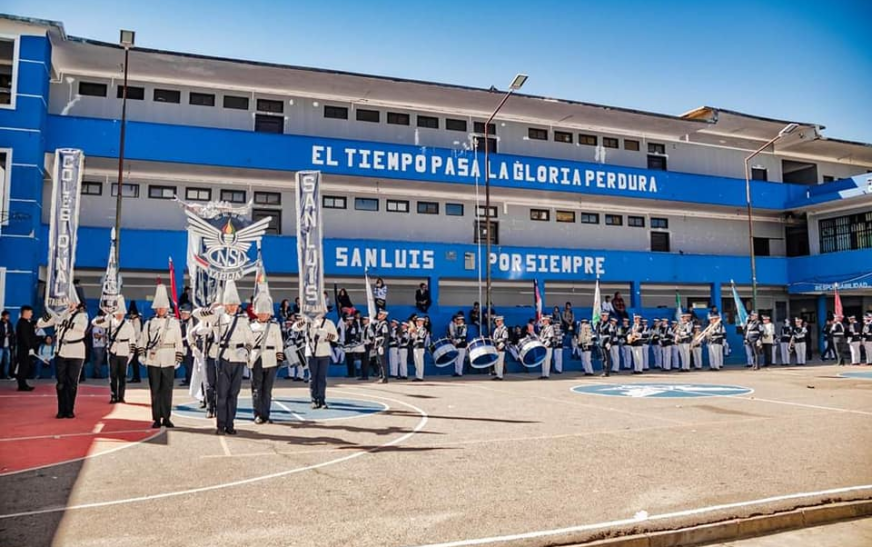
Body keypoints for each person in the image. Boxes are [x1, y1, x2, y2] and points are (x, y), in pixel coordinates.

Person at [194, 280, 254, 434]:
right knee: (222, 394)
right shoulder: (218, 317)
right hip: (223, 358)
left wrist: (246, 351)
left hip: (238, 359)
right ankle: (220, 425)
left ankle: (230, 424)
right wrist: (214, 311)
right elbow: (196, 313)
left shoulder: (243, 319)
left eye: (234, 304)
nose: (232, 306)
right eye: (229, 304)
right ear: (225, 304)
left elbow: (250, 340)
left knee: (233, 394)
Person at [138, 282, 184, 429]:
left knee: (167, 390)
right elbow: (143, 341)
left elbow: (179, 342)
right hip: (154, 360)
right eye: (158, 307)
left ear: (167, 308)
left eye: (163, 307)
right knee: (155, 390)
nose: (161, 309)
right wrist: (141, 355)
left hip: (169, 359)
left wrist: (178, 358)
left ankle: (167, 417)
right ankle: (156, 418)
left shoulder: (174, 323)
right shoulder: (149, 323)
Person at [37, 298, 89, 415]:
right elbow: (40, 323)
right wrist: (52, 314)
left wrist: (63, 321)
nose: (70, 304)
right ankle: (61, 410)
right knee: (60, 383)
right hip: (61, 351)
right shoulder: (59, 314)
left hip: (76, 352)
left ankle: (70, 410)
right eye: (68, 302)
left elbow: (81, 328)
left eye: (72, 302)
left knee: (72, 383)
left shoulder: (82, 315)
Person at [92, 296, 136, 404]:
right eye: (117, 312)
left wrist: (130, 354)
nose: (119, 315)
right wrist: (107, 317)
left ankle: (121, 396)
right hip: (113, 351)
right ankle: (113, 395)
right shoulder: (110, 322)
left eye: (121, 312)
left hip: (124, 351)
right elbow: (94, 322)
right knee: (112, 375)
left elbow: (132, 341)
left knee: (122, 376)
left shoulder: (128, 324)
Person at [249, 291, 284, 424]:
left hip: (270, 359)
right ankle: (257, 414)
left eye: (266, 312)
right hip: (256, 358)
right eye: (261, 312)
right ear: (257, 313)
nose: (263, 315)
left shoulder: (274, 326)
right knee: (257, 389)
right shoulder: (251, 326)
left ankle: (266, 415)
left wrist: (279, 358)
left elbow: (279, 343)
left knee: (267, 390)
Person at [298, 311, 338, 408]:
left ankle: (322, 400)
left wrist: (324, 334)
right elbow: (295, 327)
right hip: (311, 353)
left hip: (324, 352)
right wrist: (305, 320)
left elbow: (335, 337)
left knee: (322, 378)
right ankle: (314, 400)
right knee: (312, 377)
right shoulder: (308, 322)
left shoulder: (329, 323)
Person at [16, 306, 40, 391]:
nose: (31, 314)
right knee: (23, 367)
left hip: (26, 349)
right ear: (25, 312)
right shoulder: (22, 323)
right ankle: (22, 385)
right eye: (30, 312)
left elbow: (31, 334)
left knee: (25, 367)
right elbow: (24, 337)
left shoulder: (26, 323)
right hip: (24, 350)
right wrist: (29, 347)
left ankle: (23, 384)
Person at [372, 309, 390, 383]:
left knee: (382, 362)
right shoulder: (379, 323)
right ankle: (381, 376)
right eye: (379, 314)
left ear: (384, 316)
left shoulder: (384, 324)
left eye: (381, 314)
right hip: (378, 343)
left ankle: (385, 377)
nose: (379, 315)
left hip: (381, 344)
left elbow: (385, 336)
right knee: (378, 362)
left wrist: (382, 345)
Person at [179, 304, 195, 386]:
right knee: (186, 363)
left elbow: (190, 334)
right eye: (181, 314)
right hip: (184, 345)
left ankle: (190, 380)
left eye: (184, 314)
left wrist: (181, 339)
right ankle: (188, 378)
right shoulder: (183, 322)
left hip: (189, 345)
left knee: (189, 364)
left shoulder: (191, 322)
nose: (183, 315)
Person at [127, 301, 143, 383]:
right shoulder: (131, 321)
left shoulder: (136, 321)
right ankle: (135, 376)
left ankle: (137, 377)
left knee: (135, 362)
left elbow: (137, 333)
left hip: (135, 344)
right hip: (132, 343)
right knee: (133, 362)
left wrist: (133, 340)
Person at [491, 316, 509, 380]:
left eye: (498, 321)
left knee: (500, 362)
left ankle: (500, 376)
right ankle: (497, 374)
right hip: (496, 347)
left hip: (501, 348)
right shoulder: (496, 329)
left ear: (501, 321)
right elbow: (495, 339)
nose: (496, 322)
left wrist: (499, 347)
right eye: (496, 321)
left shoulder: (504, 329)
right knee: (496, 362)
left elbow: (505, 339)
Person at [411, 316, 428, 381]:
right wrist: (412, 332)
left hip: (420, 346)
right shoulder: (416, 329)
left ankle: (420, 376)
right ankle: (417, 375)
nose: (417, 323)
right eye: (417, 321)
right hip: (415, 346)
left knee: (420, 362)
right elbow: (413, 337)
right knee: (416, 362)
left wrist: (415, 332)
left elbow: (420, 336)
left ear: (422, 322)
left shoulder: (423, 329)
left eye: (419, 322)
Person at [0, 310, 14, 379]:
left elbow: (12, 334)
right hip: (1, 345)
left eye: (8, 316)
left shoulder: (10, 324)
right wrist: (4, 335)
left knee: (7, 361)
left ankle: (6, 375)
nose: (8, 317)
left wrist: (11, 344)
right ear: (3, 316)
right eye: (7, 316)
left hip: (7, 345)